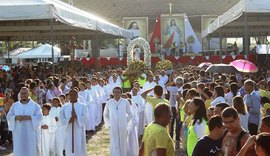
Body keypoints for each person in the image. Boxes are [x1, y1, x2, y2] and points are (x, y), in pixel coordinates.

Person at [7, 87, 42, 156]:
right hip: (18, 133)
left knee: (30, 150)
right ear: (20, 94)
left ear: (28, 93)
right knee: (19, 150)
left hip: (30, 133)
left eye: (25, 93)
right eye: (22, 93)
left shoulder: (35, 105)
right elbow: (9, 116)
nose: (23, 95)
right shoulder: (15, 105)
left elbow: (40, 117)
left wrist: (30, 117)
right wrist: (16, 117)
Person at [103, 87, 131, 156]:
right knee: (114, 141)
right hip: (112, 126)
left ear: (121, 93)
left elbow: (130, 114)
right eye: (115, 92)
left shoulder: (125, 102)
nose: (116, 94)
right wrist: (109, 124)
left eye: (118, 92)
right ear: (113, 93)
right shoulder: (109, 102)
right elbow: (105, 115)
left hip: (123, 126)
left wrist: (125, 121)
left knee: (123, 142)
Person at [60, 89, 89, 156]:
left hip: (79, 130)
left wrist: (76, 117)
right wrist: (68, 120)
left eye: (74, 95)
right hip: (69, 130)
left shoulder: (82, 106)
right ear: (68, 96)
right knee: (69, 146)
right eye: (71, 95)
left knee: (79, 145)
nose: (73, 96)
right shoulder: (65, 107)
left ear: (77, 96)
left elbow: (86, 117)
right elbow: (61, 118)